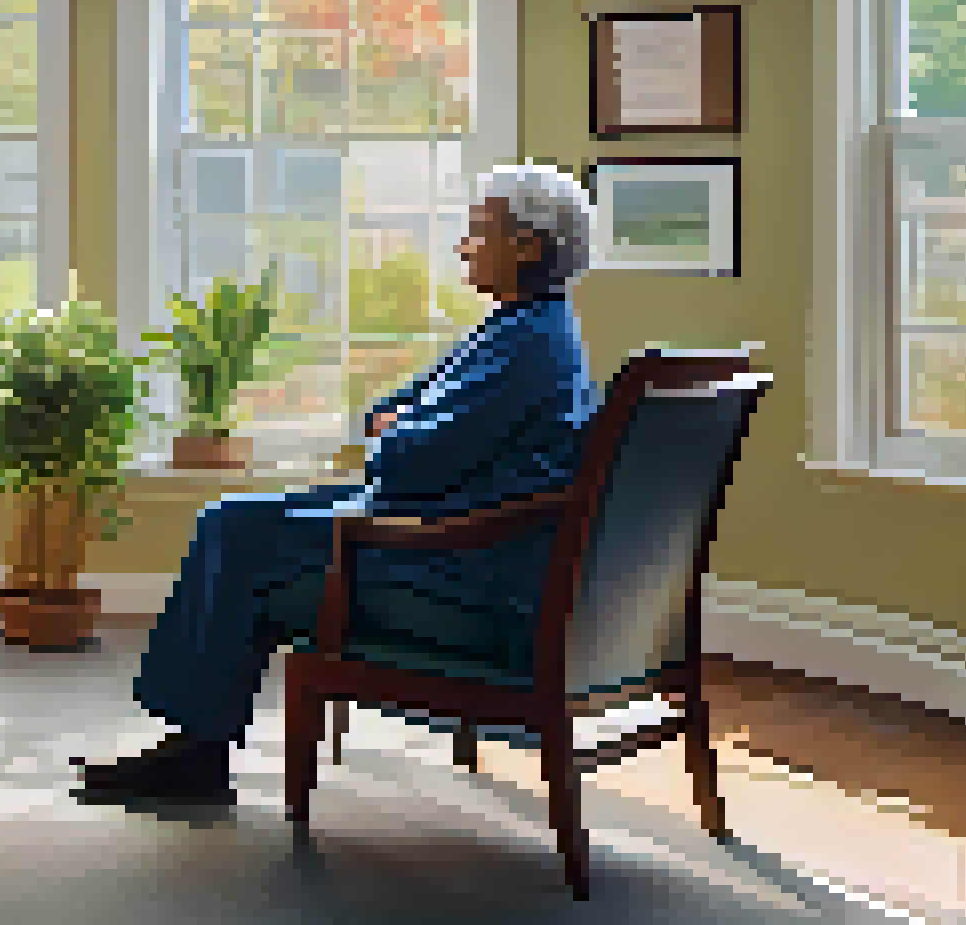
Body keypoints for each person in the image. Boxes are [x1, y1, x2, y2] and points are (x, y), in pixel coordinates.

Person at [74, 165, 599, 804]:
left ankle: (195, 753)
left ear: (527, 243)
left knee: (234, 533)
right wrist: (400, 427)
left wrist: (399, 430)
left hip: (455, 559)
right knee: (231, 518)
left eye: (477, 231)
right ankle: (193, 749)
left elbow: (412, 457)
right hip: (436, 521)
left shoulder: (530, 343)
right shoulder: (520, 328)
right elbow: (403, 411)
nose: (464, 245)